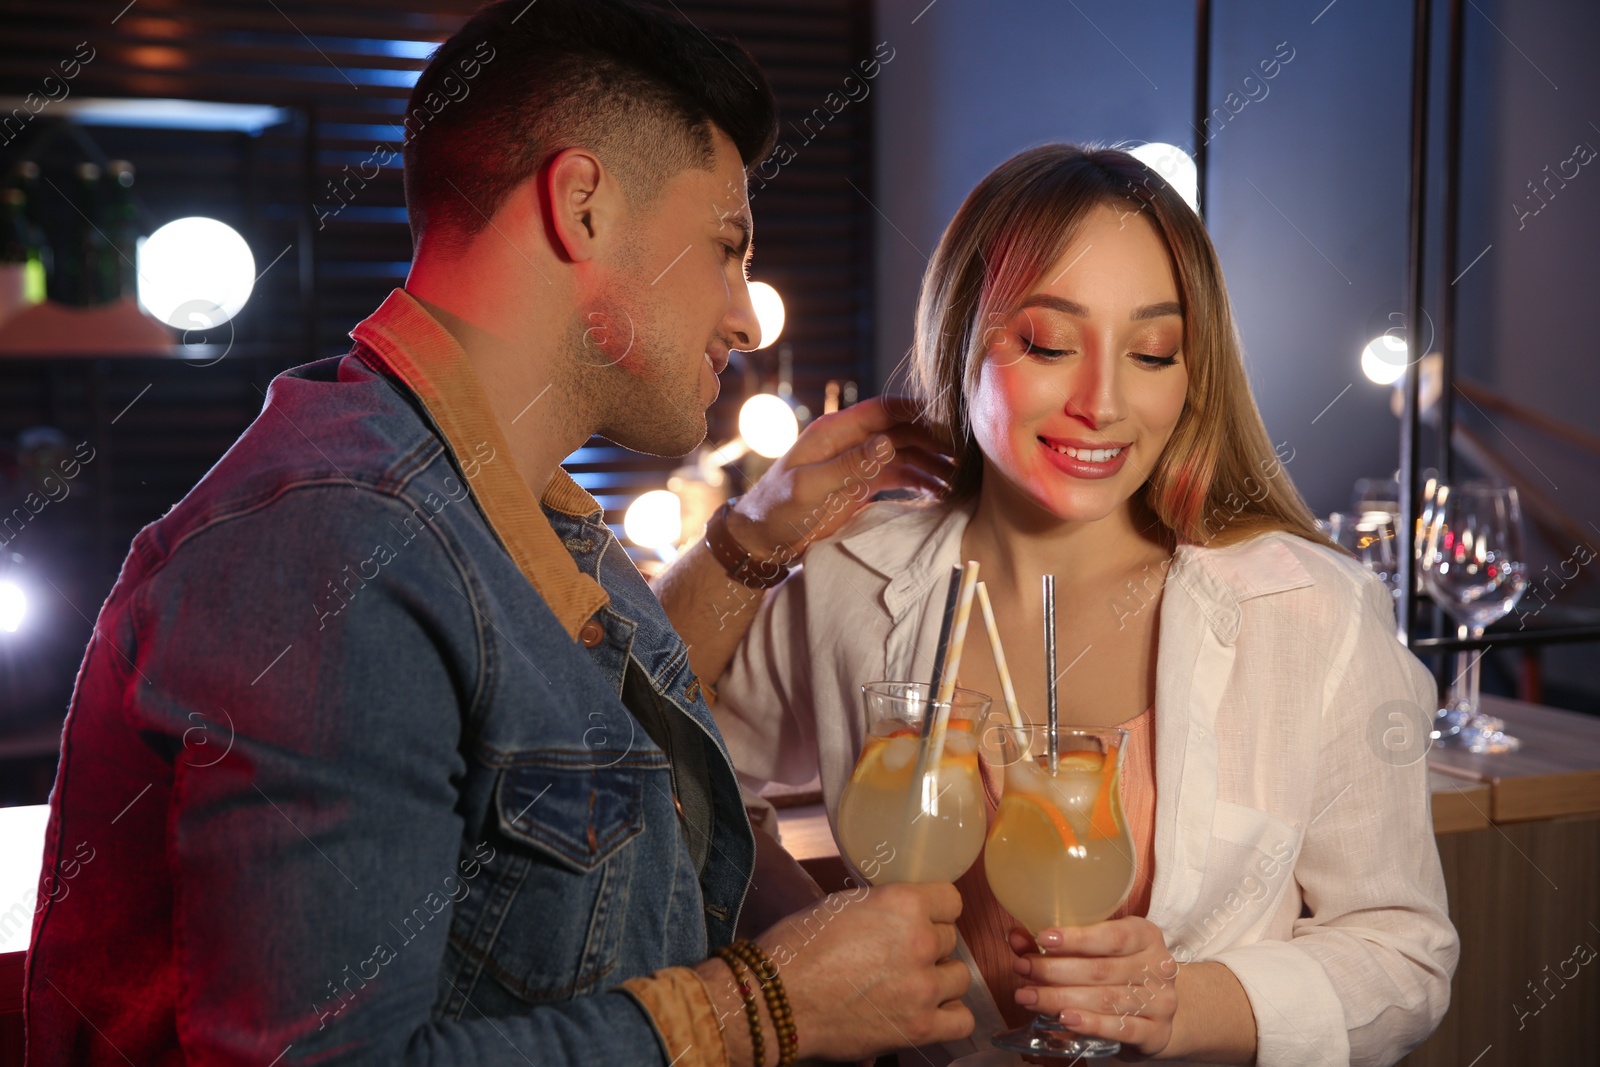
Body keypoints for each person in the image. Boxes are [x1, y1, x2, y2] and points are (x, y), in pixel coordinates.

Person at [23, 2, 971, 1064]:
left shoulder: (491, 506)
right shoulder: (336, 544)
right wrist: (759, 1008)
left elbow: (566, 747)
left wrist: (753, 539)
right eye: (724, 246)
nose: (747, 315)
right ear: (582, 206)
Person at [701, 145, 1459, 1066]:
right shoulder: (851, 579)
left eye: (1151, 352)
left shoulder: (1309, 611)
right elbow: (685, 778)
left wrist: (1186, 1003)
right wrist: (816, 936)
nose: (1103, 402)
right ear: (962, 338)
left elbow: (1404, 956)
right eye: (1051, 344)